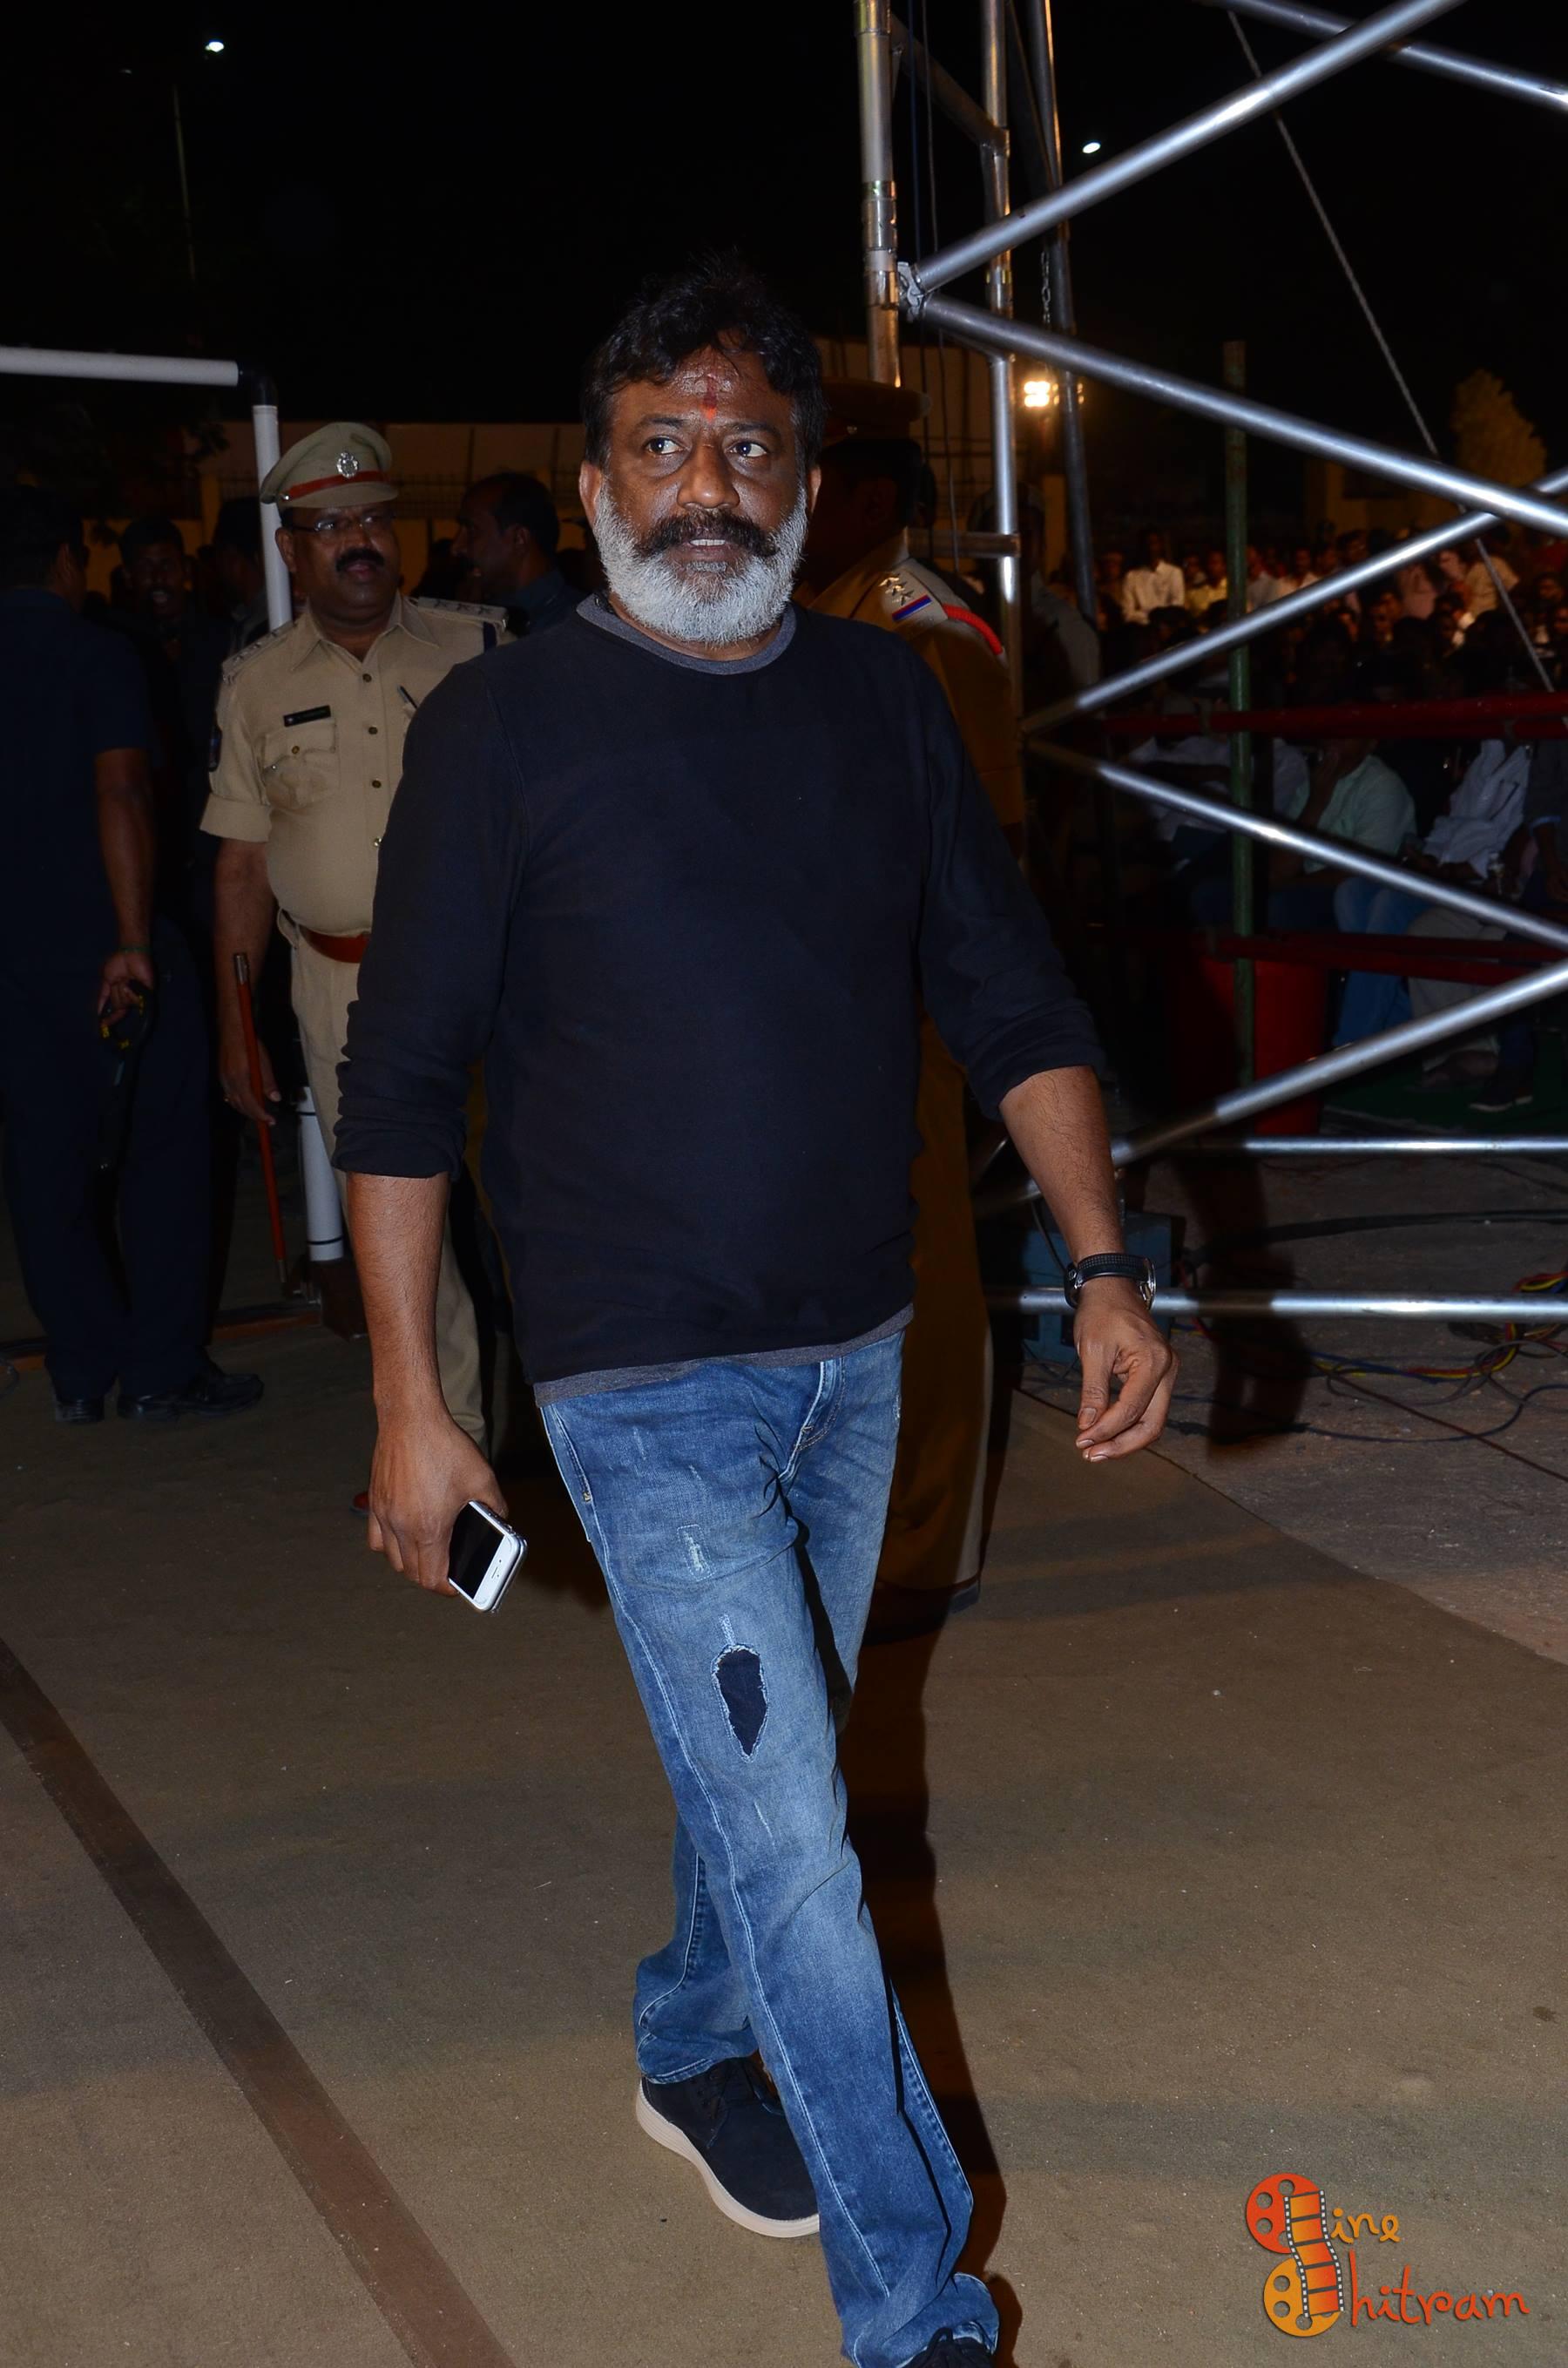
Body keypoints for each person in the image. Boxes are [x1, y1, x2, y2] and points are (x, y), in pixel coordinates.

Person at [335, 260, 1175, 2368]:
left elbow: (1011, 999)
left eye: (746, 449)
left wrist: (1101, 1260)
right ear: (594, 483)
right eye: (661, 446)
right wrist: (411, 1401)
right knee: (803, 1834)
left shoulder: (889, 705)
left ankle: (693, 2032)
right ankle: (919, 2312)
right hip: (641, 1382)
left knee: (777, 1754)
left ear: (805, 487)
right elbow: (402, 1086)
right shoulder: (500, 729)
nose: (703, 487)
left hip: (858, 1352)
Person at [202, 423, 500, 1456]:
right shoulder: (255, 685)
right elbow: (241, 865)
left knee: (545, 1211)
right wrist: (237, 1028)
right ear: (292, 552)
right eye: (330, 528)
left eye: (372, 520)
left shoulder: (482, 650)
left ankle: (588, 1449)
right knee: (404, 1244)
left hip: (499, 984)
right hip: (346, 998)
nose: (358, 542)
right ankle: (449, 1457)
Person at [796, 376, 1022, 1643]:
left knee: (924, 1271)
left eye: (812, 479)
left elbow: (988, 846)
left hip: (906, 999)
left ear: (871, 494)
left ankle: (928, 1544)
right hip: (815, 998)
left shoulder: (924, 628)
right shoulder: (800, 613)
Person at [0, 487, 261, 1424]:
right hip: (107, 941)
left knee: (42, 1163)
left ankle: (81, 1369)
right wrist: (132, 940)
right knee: (165, 1152)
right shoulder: (97, 653)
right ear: (68, 563)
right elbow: (121, 791)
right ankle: (159, 1367)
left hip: (15, 956)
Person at [450, 470, 577, 639]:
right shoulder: (488, 615)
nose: (457, 547)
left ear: (519, 538)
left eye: (472, 531)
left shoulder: (580, 629)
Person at [211, 497, 273, 653]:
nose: (216, 572)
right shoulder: (244, 621)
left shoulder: (267, 630)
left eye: (218, 558)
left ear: (232, 558)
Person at [1121, 527, 1184, 625]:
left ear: (1161, 545)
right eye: (1147, 544)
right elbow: (1128, 614)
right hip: (1140, 629)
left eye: (1154, 543)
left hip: (1167, 628)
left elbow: (1177, 607)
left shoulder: (1174, 573)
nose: (1151, 548)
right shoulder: (1131, 577)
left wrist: (1143, 614)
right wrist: (1150, 618)